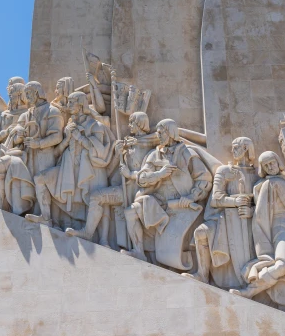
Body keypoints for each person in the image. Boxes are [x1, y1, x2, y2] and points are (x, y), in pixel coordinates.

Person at [227, 151, 285, 311]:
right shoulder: (274, 183)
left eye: (272, 162)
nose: (270, 167)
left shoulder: (281, 181)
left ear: (277, 161)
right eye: (266, 165)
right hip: (281, 228)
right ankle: (249, 291)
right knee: (283, 265)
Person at [122, 119, 213, 262]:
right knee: (130, 212)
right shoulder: (154, 154)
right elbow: (141, 178)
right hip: (158, 202)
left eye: (160, 132)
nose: (157, 136)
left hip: (180, 204)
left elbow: (204, 179)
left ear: (170, 133)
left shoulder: (187, 153)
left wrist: (192, 196)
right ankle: (139, 251)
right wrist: (159, 174)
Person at [66, 112, 158, 246]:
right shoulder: (129, 145)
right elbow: (111, 171)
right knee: (96, 197)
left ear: (139, 124)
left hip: (138, 192)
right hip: (124, 190)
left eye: (132, 122)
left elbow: (148, 174)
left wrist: (130, 174)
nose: (129, 125)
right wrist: (117, 154)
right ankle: (88, 232)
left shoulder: (149, 146)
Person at [26, 92, 114, 230]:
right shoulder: (68, 126)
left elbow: (99, 152)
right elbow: (57, 153)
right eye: (69, 102)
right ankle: (46, 218)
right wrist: (66, 140)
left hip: (88, 170)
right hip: (67, 168)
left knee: (94, 202)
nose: (68, 105)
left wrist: (79, 137)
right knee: (40, 179)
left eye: (72, 102)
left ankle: (98, 237)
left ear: (81, 104)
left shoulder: (95, 126)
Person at [182, 138, 258, 290]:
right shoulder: (224, 171)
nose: (232, 151)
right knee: (201, 232)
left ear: (246, 149)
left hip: (249, 221)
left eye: (236, 147)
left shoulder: (257, 173)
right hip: (222, 220)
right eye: (232, 147)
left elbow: (264, 202)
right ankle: (202, 274)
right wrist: (235, 201)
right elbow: (216, 199)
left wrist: (251, 210)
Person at [15, 82, 64, 178]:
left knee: (42, 187)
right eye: (26, 94)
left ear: (37, 92)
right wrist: (19, 135)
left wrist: (38, 144)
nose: (27, 97)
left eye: (28, 93)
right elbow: (16, 140)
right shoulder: (25, 115)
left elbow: (57, 136)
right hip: (28, 157)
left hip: (45, 157)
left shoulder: (52, 111)